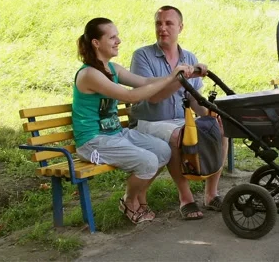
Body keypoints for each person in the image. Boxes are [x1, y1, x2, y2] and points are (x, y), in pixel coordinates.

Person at [73, 17, 205, 224]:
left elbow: (145, 81)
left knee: (163, 150)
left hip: (115, 134)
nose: (119, 41)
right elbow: (131, 96)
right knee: (149, 161)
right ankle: (129, 200)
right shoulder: (90, 74)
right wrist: (172, 78)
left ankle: (133, 198)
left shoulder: (112, 69)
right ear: (96, 43)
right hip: (93, 142)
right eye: (113, 37)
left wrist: (180, 75)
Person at [129, 6, 228, 220]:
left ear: (180, 27)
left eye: (168, 23)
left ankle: (211, 194)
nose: (162, 28)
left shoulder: (188, 56)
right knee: (177, 136)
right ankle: (186, 198)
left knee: (221, 128)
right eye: (158, 23)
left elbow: (194, 101)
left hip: (178, 120)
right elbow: (153, 97)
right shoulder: (142, 56)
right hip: (149, 121)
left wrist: (211, 116)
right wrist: (183, 78)